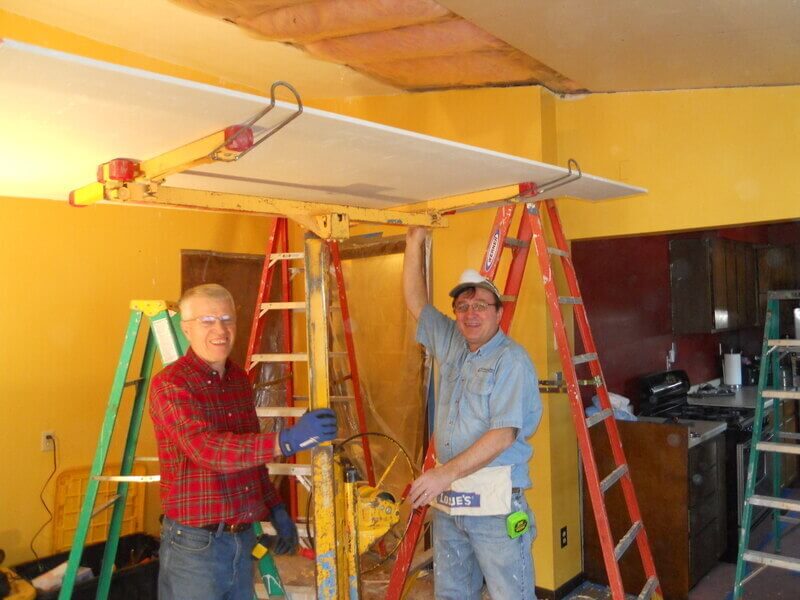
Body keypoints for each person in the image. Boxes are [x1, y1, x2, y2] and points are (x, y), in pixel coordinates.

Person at [149, 283, 337, 600]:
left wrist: (275, 506)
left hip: (241, 540)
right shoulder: (171, 385)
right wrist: (288, 441)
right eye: (207, 321)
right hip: (195, 547)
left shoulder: (237, 379)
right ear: (186, 328)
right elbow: (207, 450)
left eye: (227, 318)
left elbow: (247, 453)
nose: (220, 329)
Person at [403, 227, 543, 600]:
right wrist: (414, 242)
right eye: (463, 306)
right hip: (453, 501)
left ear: (499, 312)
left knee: (510, 595)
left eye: (481, 305)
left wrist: (440, 474)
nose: (470, 313)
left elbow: (503, 435)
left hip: (496, 504)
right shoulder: (452, 343)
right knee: (452, 594)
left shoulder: (510, 361)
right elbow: (417, 303)